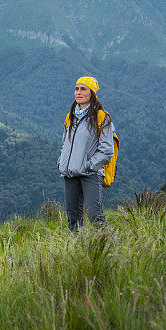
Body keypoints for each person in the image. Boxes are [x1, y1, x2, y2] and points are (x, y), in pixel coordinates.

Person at [58, 76, 115, 231]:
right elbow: (65, 143)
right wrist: (61, 161)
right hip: (70, 173)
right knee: (72, 217)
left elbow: (107, 149)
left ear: (92, 93)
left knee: (95, 216)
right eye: (77, 89)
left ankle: (113, 247)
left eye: (83, 89)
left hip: (90, 173)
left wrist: (89, 165)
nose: (79, 92)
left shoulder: (102, 117)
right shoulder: (70, 116)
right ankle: (78, 250)